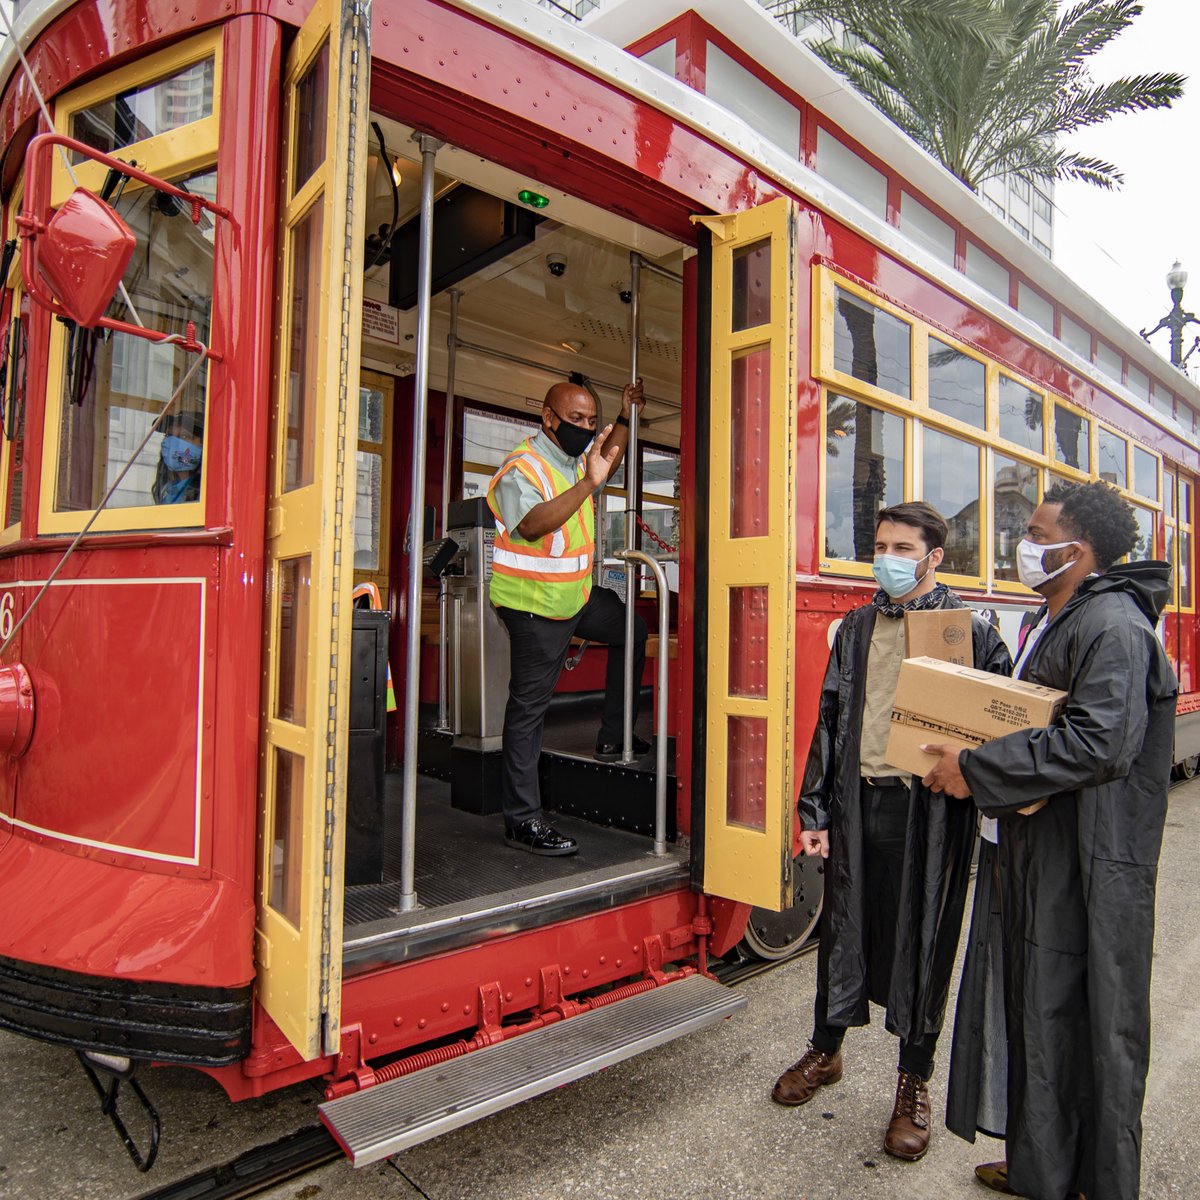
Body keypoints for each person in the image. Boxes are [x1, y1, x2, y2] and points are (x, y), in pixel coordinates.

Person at [922, 481, 1176, 1200]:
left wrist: (976, 769)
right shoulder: (1056, 616)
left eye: (1036, 534)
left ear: (1078, 549)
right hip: (1039, 847)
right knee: (1037, 1010)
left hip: (1086, 862)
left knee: (1081, 1018)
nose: (1021, 545)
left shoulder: (1114, 626)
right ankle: (1044, 1166)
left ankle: (1088, 1180)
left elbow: (1098, 744)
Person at [773, 502, 1012, 1162]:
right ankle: (826, 1051)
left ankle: (913, 1082)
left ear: (934, 557)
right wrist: (815, 812)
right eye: (880, 547)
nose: (887, 559)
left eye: (902, 548)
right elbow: (829, 719)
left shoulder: (970, 632)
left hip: (928, 813)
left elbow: (998, 726)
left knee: (925, 939)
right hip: (860, 802)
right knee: (842, 930)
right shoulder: (857, 627)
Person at [486, 378, 647, 856]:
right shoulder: (521, 467)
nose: (585, 428)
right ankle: (522, 821)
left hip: (574, 599)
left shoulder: (574, 462)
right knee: (529, 710)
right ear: (548, 418)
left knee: (632, 629)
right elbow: (532, 524)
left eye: (591, 421)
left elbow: (608, 457)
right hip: (533, 606)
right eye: (576, 419)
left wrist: (624, 416)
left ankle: (613, 737)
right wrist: (589, 483)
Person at [152, 410, 204, 504]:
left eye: (184, 436)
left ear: (203, 444)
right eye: (169, 435)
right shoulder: (167, 491)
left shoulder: (206, 493)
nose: (173, 442)